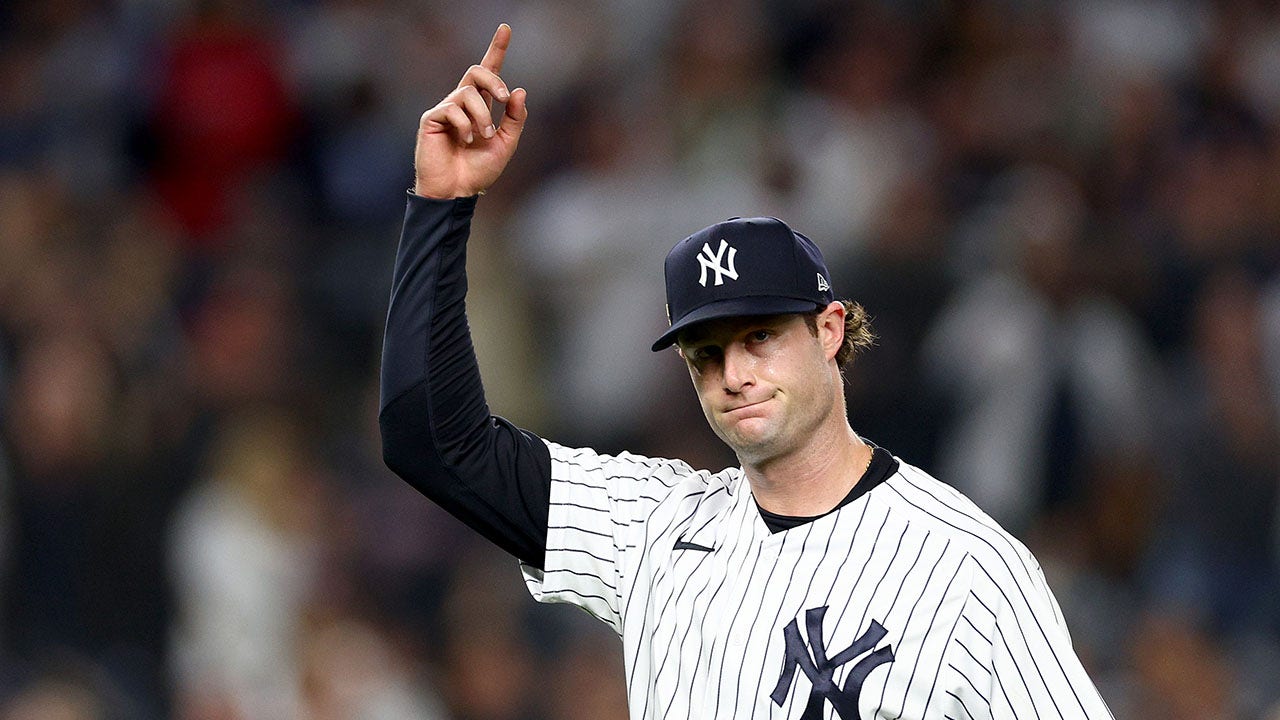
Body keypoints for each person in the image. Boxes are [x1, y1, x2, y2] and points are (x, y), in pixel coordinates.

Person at [379, 24, 1114, 719]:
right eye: (707, 353)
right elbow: (433, 442)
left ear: (829, 331)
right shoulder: (653, 525)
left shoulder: (963, 565)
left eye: (759, 337)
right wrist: (442, 206)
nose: (733, 373)